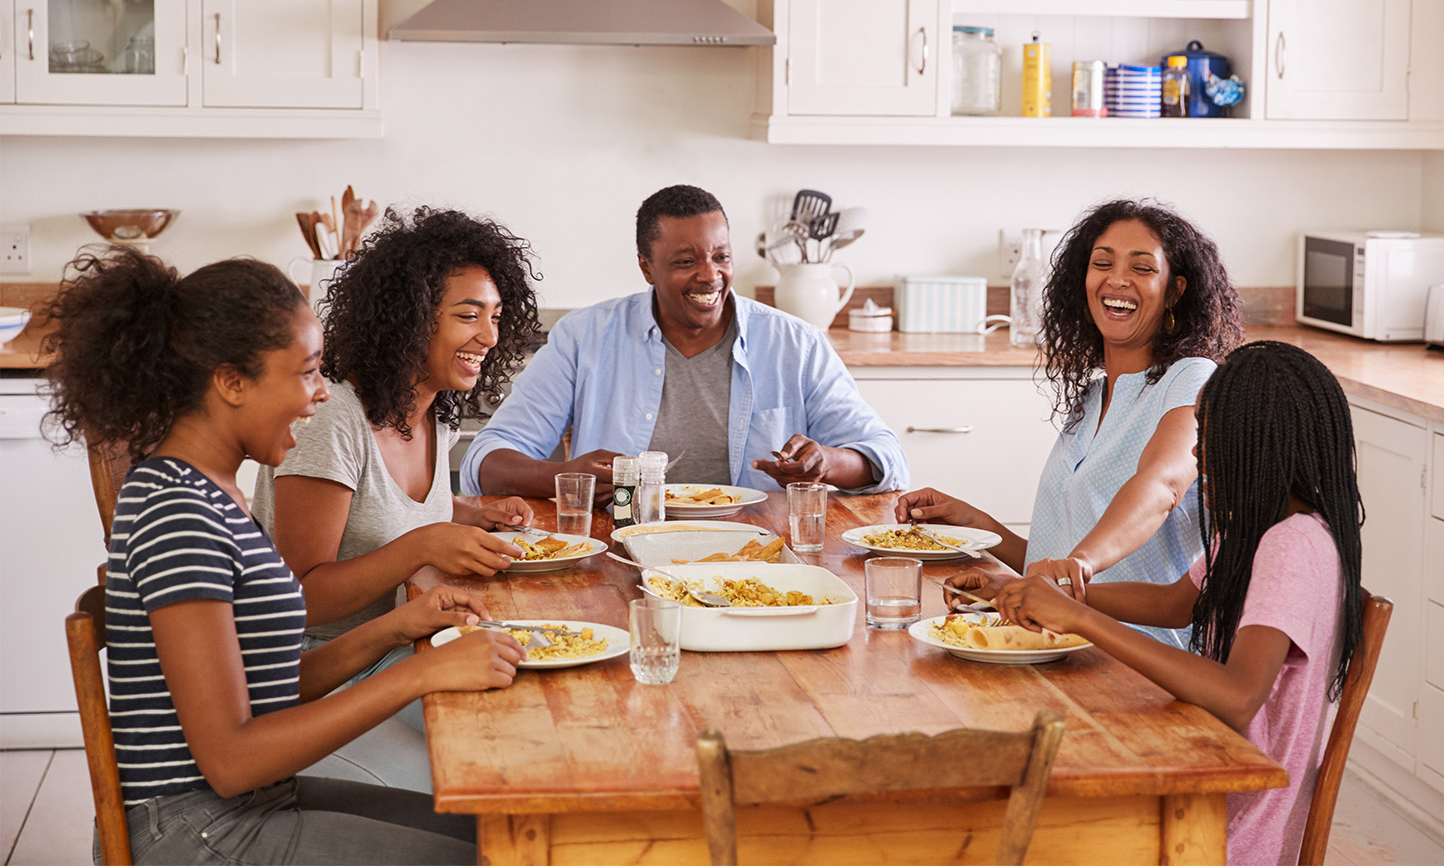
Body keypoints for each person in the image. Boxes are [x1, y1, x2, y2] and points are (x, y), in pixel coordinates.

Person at [39, 248, 524, 865]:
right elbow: (232, 760)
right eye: (305, 373)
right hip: (197, 831)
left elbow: (269, 687)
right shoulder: (176, 511)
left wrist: (398, 627)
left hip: (249, 806)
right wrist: (420, 672)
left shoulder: (216, 492)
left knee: (501, 834)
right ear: (231, 382)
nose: (321, 395)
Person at [951, 341, 1364, 865]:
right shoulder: (1258, 529)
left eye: (1211, 441)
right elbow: (1175, 603)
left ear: (1262, 447)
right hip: (1205, 774)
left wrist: (1079, 616)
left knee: (1017, 827)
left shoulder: (1293, 546)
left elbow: (1238, 696)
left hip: (1226, 824)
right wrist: (1047, 596)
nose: (1196, 456)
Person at [897, 199, 1244, 646]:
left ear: (1175, 291)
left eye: (1142, 268)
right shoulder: (1094, 396)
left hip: (1139, 661)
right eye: (1102, 263)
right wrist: (977, 525)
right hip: (1061, 643)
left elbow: (1163, 486)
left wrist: (1079, 563)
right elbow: (1056, 569)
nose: (1117, 279)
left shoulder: (1192, 378)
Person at [250, 208, 540, 738]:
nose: (490, 337)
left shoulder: (433, 406)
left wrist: (472, 514)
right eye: (469, 315)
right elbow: (302, 597)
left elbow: (379, 510)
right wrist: (424, 545)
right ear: (410, 317)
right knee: (505, 737)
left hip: (404, 643)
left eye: (497, 316)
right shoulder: (333, 416)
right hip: (322, 672)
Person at [461, 184, 908, 498]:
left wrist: (826, 463)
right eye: (685, 261)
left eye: (721, 256)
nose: (710, 275)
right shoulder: (584, 338)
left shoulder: (796, 344)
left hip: (761, 555)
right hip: (621, 551)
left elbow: (887, 459)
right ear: (646, 267)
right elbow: (484, 462)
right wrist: (563, 476)